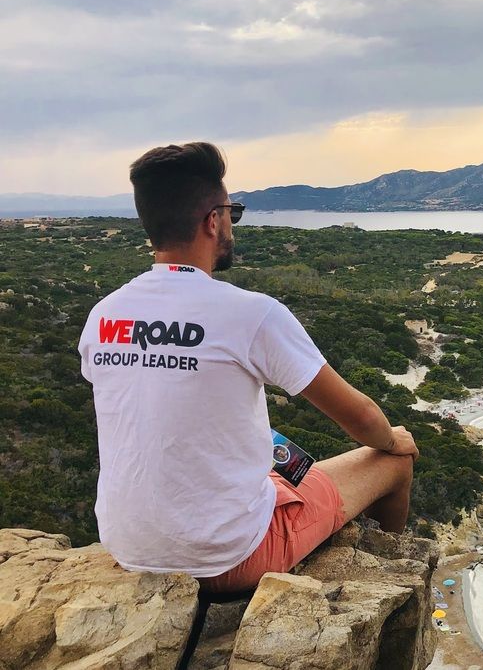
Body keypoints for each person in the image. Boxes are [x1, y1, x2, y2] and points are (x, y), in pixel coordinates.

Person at [77, 143, 418, 593]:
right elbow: (361, 419)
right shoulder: (252, 313)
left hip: (127, 547)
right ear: (213, 221)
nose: (232, 226)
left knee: (278, 469)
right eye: (231, 213)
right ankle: (385, 577)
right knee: (396, 461)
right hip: (226, 559)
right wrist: (393, 439)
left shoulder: (104, 315)